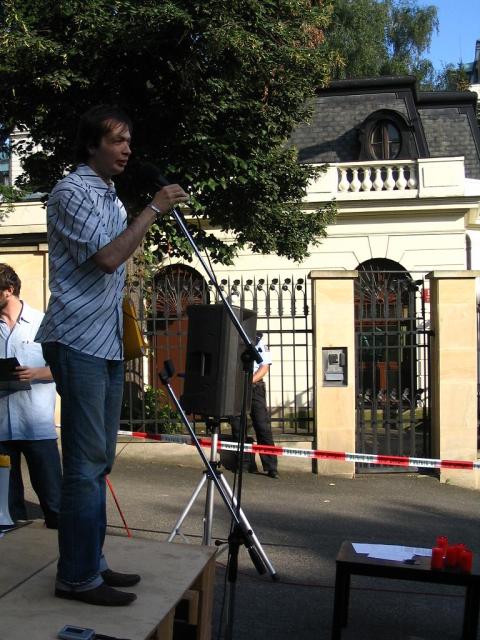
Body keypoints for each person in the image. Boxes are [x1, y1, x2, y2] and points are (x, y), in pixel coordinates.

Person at [36, 105, 189, 607]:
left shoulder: (112, 199)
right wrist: (152, 211)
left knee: (100, 462)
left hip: (106, 342)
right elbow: (106, 259)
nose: (127, 149)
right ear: (91, 145)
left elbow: (121, 261)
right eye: (118, 140)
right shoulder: (70, 192)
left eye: (129, 141)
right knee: (82, 464)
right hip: (75, 338)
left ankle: (91, 563)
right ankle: (76, 578)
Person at [0, 263, 62, 529]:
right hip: (2, 428)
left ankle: (63, 556)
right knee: (7, 506)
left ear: (8, 291)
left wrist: (36, 374)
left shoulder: (43, 322)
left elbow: (65, 368)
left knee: (55, 503)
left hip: (37, 426)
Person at [231, 333, 278, 478]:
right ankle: (243, 464)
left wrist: (248, 381)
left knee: (262, 426)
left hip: (255, 387)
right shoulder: (232, 337)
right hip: (236, 387)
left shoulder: (257, 339)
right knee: (238, 427)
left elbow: (264, 368)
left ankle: (271, 467)